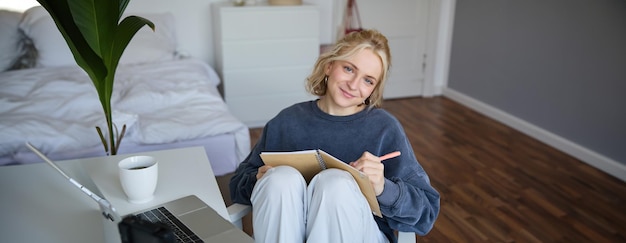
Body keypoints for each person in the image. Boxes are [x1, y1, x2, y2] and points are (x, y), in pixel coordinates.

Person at [229, 29, 440, 243]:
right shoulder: (287, 121)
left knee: (336, 184)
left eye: (368, 80)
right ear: (329, 65)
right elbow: (237, 185)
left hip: (361, 234)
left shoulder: (385, 128)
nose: (354, 84)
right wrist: (257, 180)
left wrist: (383, 189)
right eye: (349, 69)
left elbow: (426, 214)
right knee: (280, 180)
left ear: (373, 90)